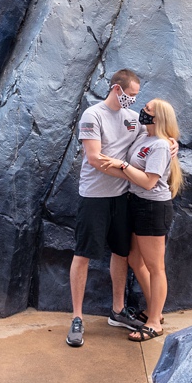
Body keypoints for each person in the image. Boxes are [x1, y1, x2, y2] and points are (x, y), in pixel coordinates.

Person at [66, 69, 147, 348]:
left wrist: (171, 143)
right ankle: (77, 317)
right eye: (131, 95)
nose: (133, 101)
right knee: (83, 254)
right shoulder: (93, 115)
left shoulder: (133, 119)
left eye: (136, 96)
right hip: (94, 198)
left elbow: (158, 135)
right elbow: (94, 159)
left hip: (121, 199)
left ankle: (117, 310)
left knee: (121, 253)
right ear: (116, 89)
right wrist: (134, 174)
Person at [100, 97, 182, 341]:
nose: (142, 112)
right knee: (136, 260)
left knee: (156, 267)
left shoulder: (159, 145)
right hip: (136, 203)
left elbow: (148, 181)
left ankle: (155, 322)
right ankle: (153, 310)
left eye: (147, 110)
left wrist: (122, 165)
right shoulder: (145, 137)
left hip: (152, 207)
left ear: (158, 118)